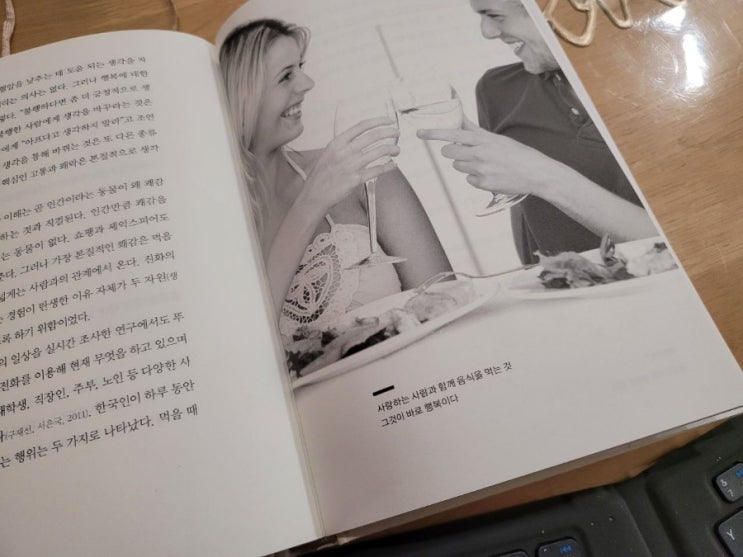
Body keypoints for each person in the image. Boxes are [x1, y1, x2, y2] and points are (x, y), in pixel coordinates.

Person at [219, 19, 451, 338]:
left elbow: (446, 303)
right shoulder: (220, 225)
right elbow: (245, 339)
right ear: (243, 98)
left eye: (300, 68)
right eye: (286, 76)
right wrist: (311, 203)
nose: (307, 83)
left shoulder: (359, 173)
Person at [418, 0, 657, 264]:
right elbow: (525, 218)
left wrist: (539, 174)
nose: (487, 32)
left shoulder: (658, 81)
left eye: (495, 15)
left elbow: (672, 244)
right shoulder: (496, 89)